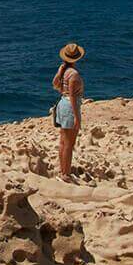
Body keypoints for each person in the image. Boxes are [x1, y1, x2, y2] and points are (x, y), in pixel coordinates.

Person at [51, 43, 85, 180]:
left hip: (62, 104)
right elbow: (72, 95)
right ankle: (66, 174)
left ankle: (63, 171)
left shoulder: (63, 70)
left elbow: (56, 85)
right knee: (69, 144)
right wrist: (77, 117)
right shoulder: (74, 74)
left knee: (63, 142)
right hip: (70, 106)